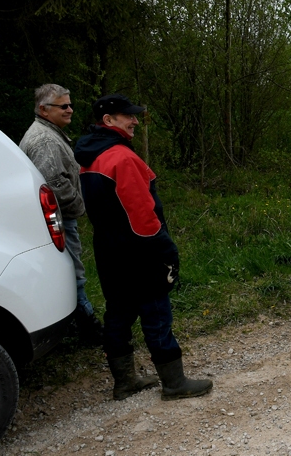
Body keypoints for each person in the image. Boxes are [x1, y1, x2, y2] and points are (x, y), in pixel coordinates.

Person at [74, 93, 212, 401]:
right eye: (128, 116)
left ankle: (124, 382)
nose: (135, 120)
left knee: (118, 313)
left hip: (108, 249)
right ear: (108, 120)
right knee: (156, 313)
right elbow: (142, 217)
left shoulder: (91, 157)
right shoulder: (122, 158)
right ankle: (174, 383)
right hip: (139, 251)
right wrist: (166, 250)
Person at [19, 84, 104, 346]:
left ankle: (75, 326)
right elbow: (55, 184)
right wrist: (80, 206)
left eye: (70, 104)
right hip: (58, 218)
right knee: (72, 272)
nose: (70, 109)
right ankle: (88, 328)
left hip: (55, 217)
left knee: (68, 270)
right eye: (63, 106)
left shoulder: (48, 133)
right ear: (44, 110)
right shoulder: (44, 140)